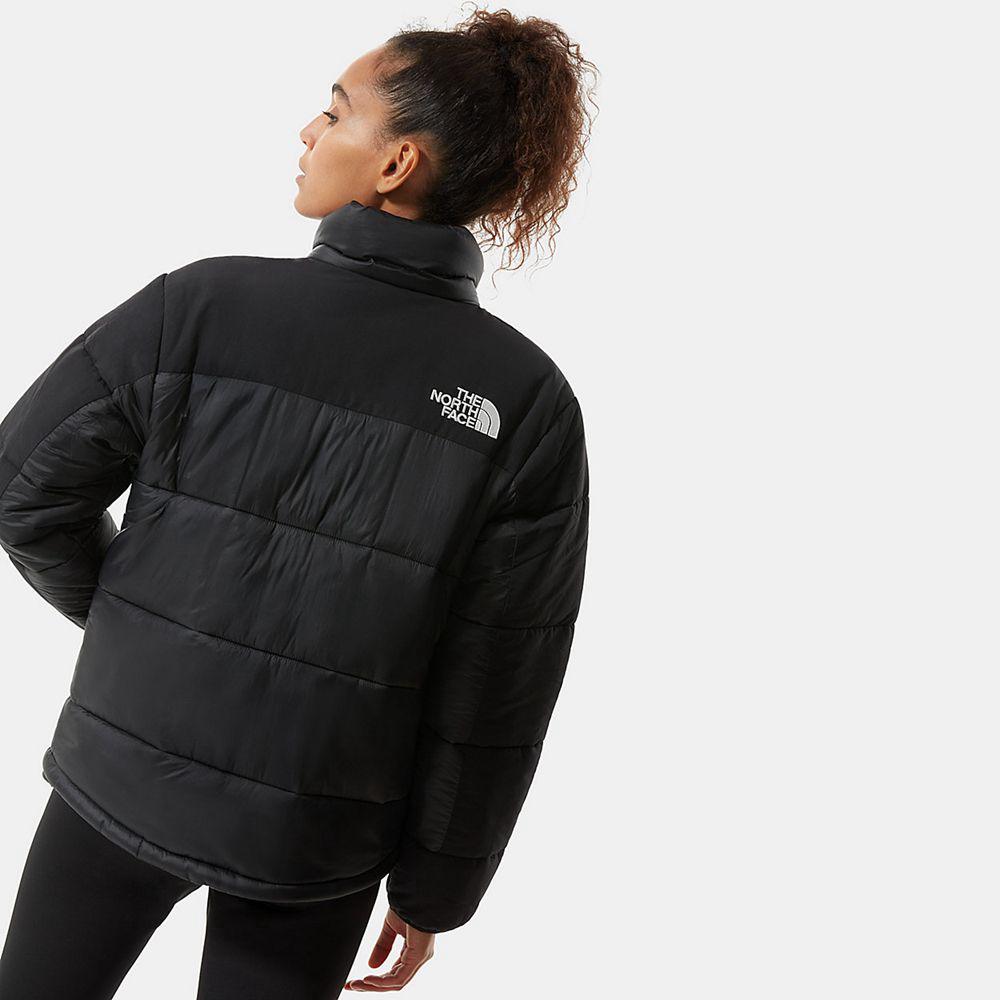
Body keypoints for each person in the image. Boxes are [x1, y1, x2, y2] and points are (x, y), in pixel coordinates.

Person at [0, 6, 597, 998]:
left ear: (395, 164)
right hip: (320, 833)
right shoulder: (526, 400)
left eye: (335, 111)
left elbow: (22, 491)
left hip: (122, 768)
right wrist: (437, 890)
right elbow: (498, 683)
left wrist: (140, 628)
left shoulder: (198, 306)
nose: (308, 131)